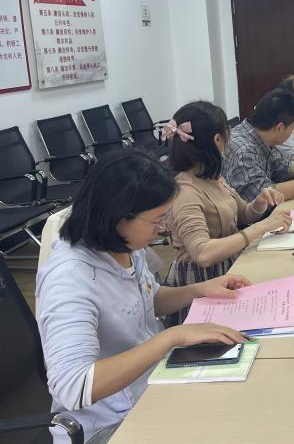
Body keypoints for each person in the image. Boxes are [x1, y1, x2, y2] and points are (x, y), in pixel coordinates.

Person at [36, 148, 250, 444]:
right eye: (157, 220)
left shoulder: (125, 246)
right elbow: (75, 386)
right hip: (111, 423)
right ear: (119, 216)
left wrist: (199, 290)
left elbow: (146, 299)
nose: (162, 230)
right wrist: (172, 336)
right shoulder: (69, 278)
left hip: (155, 383)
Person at [163, 101, 292, 324]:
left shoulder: (211, 176)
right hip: (201, 281)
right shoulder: (186, 191)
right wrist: (262, 227)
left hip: (227, 269)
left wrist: (260, 203)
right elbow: (203, 254)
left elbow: (244, 214)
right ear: (217, 140)